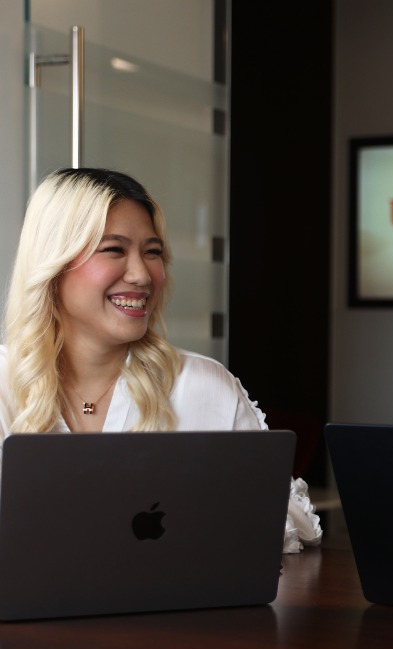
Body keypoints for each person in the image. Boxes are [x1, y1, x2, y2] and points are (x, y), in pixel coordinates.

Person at [0, 167, 322, 554]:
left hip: (178, 612)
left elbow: (293, 527)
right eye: (114, 249)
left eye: (152, 253)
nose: (142, 275)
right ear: (53, 264)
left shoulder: (203, 385)